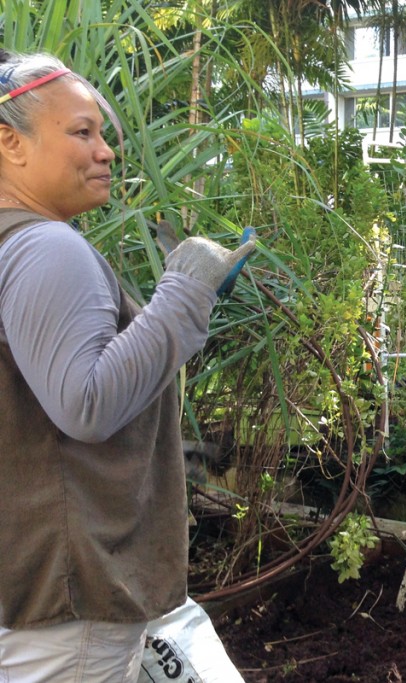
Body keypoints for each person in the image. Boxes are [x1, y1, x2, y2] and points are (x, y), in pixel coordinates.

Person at [0, 51, 254, 681]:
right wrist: (185, 291)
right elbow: (87, 404)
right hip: (71, 602)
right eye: (81, 132)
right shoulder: (45, 247)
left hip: (30, 589)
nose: (106, 151)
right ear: (11, 143)